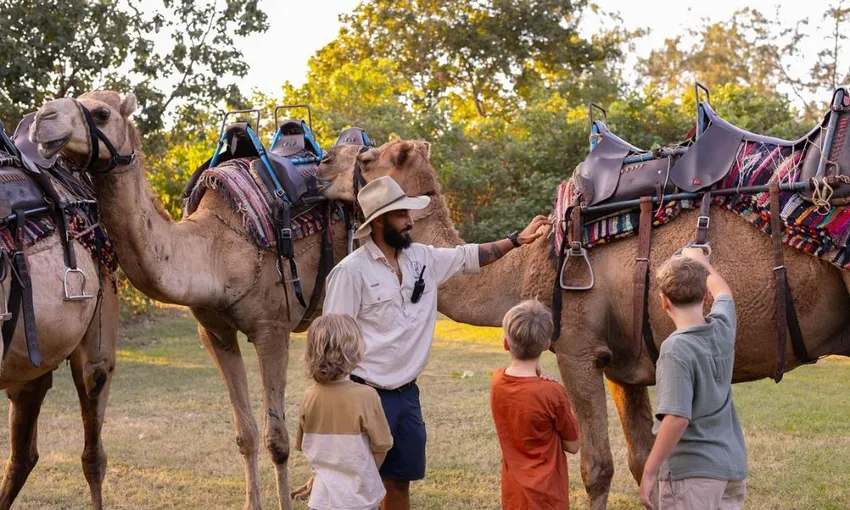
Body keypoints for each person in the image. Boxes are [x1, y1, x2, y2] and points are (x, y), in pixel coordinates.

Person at [323, 175, 548, 509]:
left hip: (407, 397)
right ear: (379, 221)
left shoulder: (422, 258)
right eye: (402, 214)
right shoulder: (350, 272)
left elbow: (469, 256)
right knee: (359, 488)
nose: (410, 221)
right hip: (363, 395)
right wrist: (336, 412)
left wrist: (516, 240)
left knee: (399, 482)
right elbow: (331, 344)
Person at [639, 248, 748, 510]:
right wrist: (701, 261)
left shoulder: (674, 349)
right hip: (731, 468)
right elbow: (724, 292)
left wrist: (650, 471)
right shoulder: (723, 327)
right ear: (704, 295)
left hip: (692, 475)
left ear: (664, 302)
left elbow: (677, 418)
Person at [295, 314, 393, 510]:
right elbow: (382, 446)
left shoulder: (309, 396)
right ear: (354, 350)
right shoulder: (366, 396)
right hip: (360, 501)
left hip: (320, 500)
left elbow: (304, 444)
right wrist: (364, 474)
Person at [490, 299, 580, 509]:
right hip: (549, 498)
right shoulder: (553, 393)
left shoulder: (497, 381)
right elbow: (573, 446)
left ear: (506, 344)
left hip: (514, 497)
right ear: (547, 345)